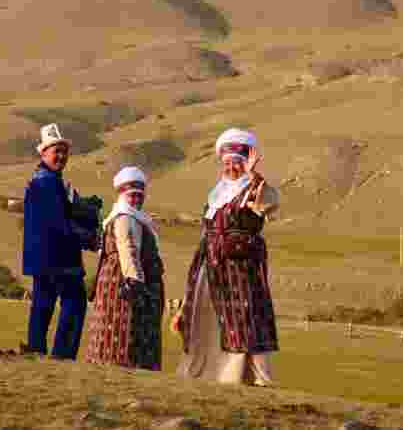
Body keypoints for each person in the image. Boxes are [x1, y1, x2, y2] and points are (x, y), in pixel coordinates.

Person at [175, 128, 281, 385]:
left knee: (244, 317)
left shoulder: (254, 188)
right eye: (227, 162)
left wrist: (252, 174)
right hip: (210, 264)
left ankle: (242, 376)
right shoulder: (216, 194)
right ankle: (210, 372)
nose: (232, 167)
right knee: (206, 315)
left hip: (241, 266)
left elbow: (270, 203)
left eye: (237, 162)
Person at [22, 123, 97, 359]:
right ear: (43, 153)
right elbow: (59, 222)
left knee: (42, 305)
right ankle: (62, 355)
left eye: (64, 151)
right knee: (74, 302)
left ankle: (36, 352)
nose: (61, 156)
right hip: (59, 257)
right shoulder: (47, 182)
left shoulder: (45, 180)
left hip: (44, 257)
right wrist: (89, 238)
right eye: (56, 151)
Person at [85, 166, 165, 370]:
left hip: (115, 278)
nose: (136, 200)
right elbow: (128, 248)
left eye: (140, 196)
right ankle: (123, 365)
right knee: (125, 327)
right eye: (132, 195)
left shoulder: (124, 216)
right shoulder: (125, 218)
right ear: (122, 195)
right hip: (123, 278)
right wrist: (135, 280)